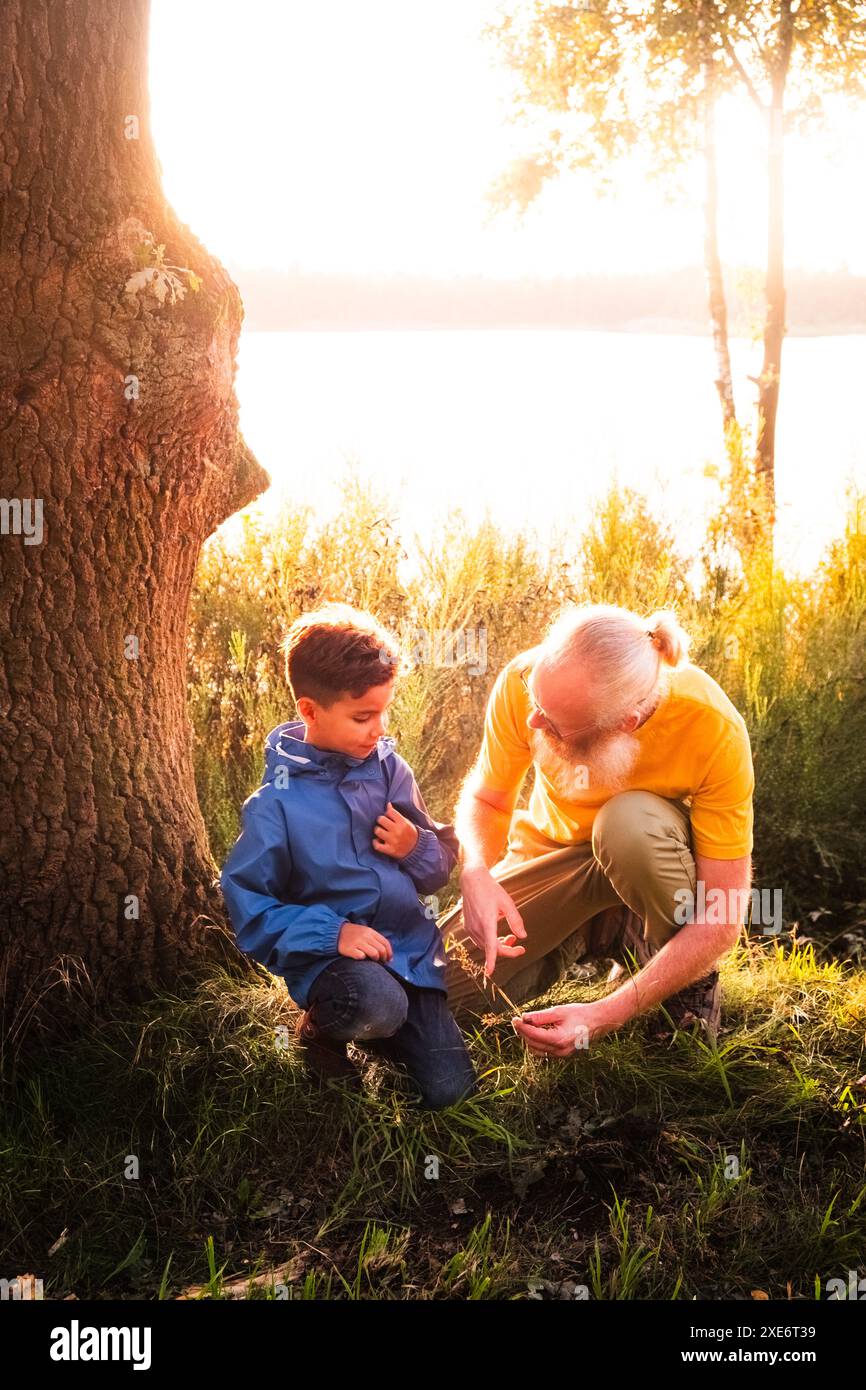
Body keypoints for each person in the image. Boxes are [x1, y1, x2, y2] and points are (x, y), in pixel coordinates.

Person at [439, 603, 755, 1052]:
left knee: (627, 825)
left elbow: (723, 912)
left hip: (642, 856)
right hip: (552, 864)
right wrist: (476, 871)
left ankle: (677, 977)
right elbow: (488, 797)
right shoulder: (526, 681)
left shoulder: (712, 727)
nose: (533, 720)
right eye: (536, 702)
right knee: (436, 993)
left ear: (624, 724)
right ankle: (595, 931)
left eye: (552, 722)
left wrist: (606, 1014)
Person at [220, 602, 476, 1110]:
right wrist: (332, 933)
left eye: (383, 712)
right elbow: (249, 907)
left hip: (412, 956)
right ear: (310, 710)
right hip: (334, 964)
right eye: (363, 717)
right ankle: (322, 1031)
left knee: (450, 1093)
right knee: (374, 1002)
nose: (378, 728)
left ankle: (389, 1037)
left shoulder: (390, 771)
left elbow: (438, 867)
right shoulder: (276, 803)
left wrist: (416, 846)